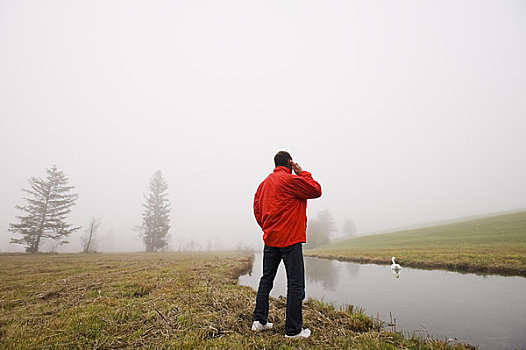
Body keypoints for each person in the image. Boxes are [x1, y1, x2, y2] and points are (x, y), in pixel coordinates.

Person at [251, 151, 322, 339]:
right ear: (290, 163)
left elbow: (257, 209)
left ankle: (259, 321)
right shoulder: (290, 181)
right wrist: (302, 172)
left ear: (275, 163)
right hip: (290, 239)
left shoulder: (263, 184)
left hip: (271, 239)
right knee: (296, 283)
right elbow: (316, 190)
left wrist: (267, 227)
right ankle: (293, 330)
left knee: (266, 279)